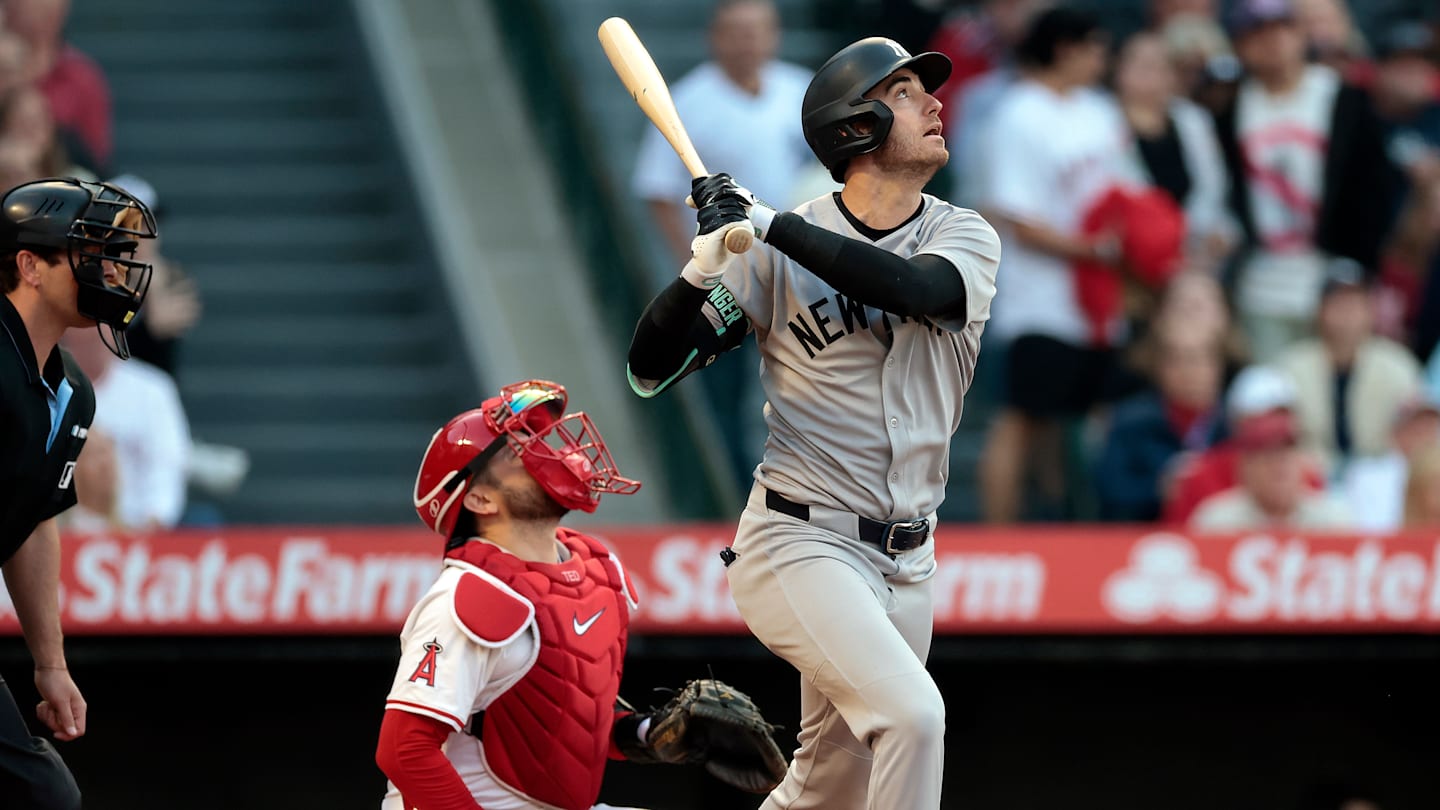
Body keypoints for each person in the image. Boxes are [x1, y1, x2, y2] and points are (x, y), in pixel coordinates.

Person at [627, 34, 1001, 809]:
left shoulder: (963, 234)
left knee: (829, 786)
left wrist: (766, 221)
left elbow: (913, 288)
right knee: (912, 717)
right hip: (802, 539)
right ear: (852, 128)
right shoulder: (767, 252)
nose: (933, 102)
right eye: (904, 93)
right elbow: (651, 369)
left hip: (910, 560)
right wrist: (702, 266)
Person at [377, 380, 782, 810]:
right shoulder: (470, 596)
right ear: (479, 498)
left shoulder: (594, 571)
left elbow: (561, 725)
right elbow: (405, 750)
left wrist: (652, 734)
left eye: (539, 441)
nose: (548, 454)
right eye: (520, 450)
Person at [0, 176, 157, 808]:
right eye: (91, 252)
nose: (114, 271)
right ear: (30, 266)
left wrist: (50, 664)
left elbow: (34, 521)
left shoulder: (73, 390)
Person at [630, 0, 813, 493]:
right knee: (725, 395)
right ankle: (732, 496)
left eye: (757, 32)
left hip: (800, 270)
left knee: (804, 384)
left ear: (774, 36)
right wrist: (692, 268)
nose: (747, 42)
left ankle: (796, 490)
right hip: (727, 274)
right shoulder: (690, 99)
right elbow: (658, 189)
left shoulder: (800, 91)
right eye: (736, 32)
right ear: (715, 37)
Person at [974, 6, 1139, 523]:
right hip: (1040, 297)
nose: (1102, 59)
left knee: (1079, 421)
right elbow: (1015, 216)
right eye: (1094, 47)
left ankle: (1060, 532)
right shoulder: (1019, 112)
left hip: (1099, 298)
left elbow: (1126, 194)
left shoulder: (1100, 110)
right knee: (1023, 420)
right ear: (1066, 48)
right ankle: (1000, 542)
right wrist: (1092, 250)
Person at [1212, 0, 1393, 362]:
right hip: (1261, 287)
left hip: (1334, 282)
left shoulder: (1343, 100)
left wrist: (1361, 269)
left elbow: (1374, 190)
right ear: (1239, 45)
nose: (1272, 42)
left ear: (1300, 33)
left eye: (1282, 28)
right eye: (1257, 34)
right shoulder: (1229, 111)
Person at [1275, 258, 1422, 474]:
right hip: (1309, 475)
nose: (1347, 312)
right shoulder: (1291, 365)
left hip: (1381, 476)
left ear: (1370, 310)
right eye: (1338, 302)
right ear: (1320, 310)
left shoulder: (1398, 365)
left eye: (1355, 302)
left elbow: (1414, 433)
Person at [1095, 319, 1227, 522]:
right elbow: (1110, 491)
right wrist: (1158, 489)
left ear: (1216, 365)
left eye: (1195, 358)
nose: (1186, 370)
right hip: (1148, 541)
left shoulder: (1234, 425)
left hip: (1221, 540)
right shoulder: (1131, 422)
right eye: (1175, 360)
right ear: (1159, 367)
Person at [1189, 403, 1353, 531]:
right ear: (1246, 467)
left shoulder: (1333, 519)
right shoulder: (1217, 521)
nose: (1279, 463)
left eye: (1287, 452)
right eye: (1267, 454)